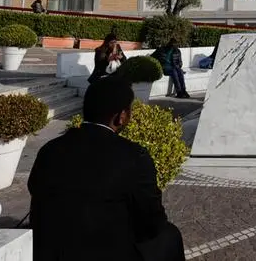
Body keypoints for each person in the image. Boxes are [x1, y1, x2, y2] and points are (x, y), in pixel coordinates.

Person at [28, 77, 184, 261]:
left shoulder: (50, 149)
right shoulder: (134, 156)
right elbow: (152, 222)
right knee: (170, 236)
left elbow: (34, 190)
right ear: (121, 116)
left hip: (48, 250)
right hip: (104, 251)